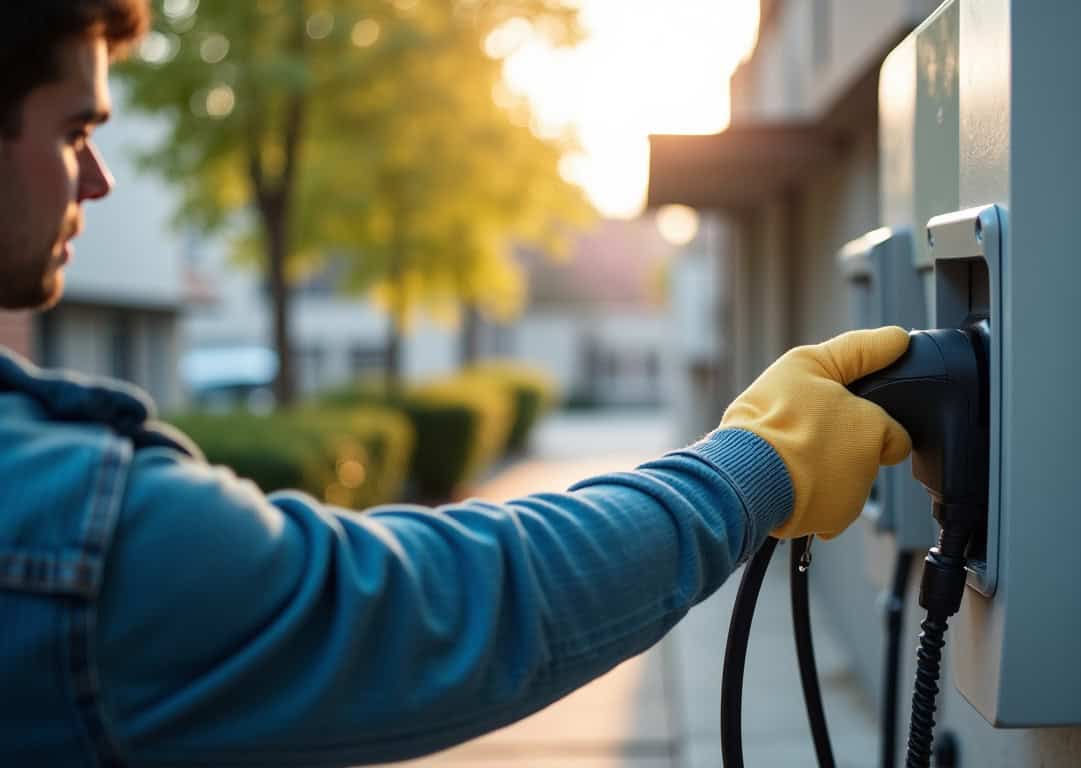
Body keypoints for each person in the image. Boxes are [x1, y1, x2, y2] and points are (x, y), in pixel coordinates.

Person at [0, 1, 914, 765]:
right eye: (74, 131)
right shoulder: (56, 511)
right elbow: (426, 610)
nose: (98, 178)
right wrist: (750, 469)